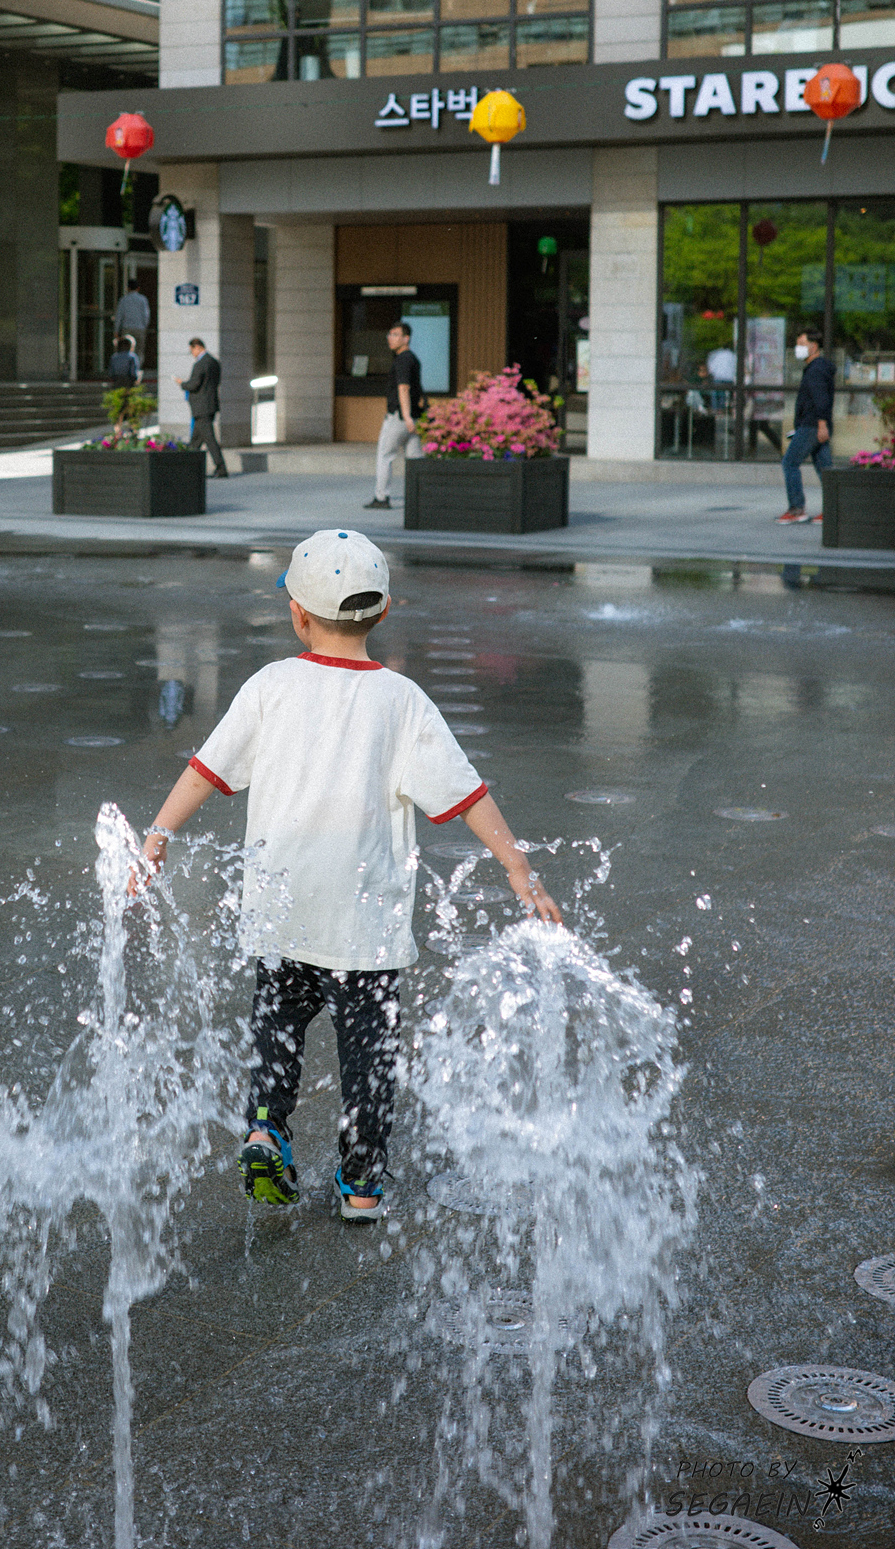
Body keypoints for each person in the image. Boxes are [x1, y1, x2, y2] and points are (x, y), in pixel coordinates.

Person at [133, 530, 561, 1221]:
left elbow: (205, 771)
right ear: (383, 611)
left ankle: (264, 1129)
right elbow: (467, 795)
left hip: (282, 910)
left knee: (276, 1030)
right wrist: (518, 868)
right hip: (363, 925)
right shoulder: (401, 700)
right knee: (369, 1056)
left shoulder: (270, 685)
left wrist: (157, 837)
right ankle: (361, 1185)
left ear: (296, 615)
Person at [366, 319, 425, 510]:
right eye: (390, 334)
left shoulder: (402, 360)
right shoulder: (413, 358)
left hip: (400, 417)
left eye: (395, 335)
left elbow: (404, 388)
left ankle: (381, 497)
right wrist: (412, 417)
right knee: (415, 460)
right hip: (414, 417)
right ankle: (419, 497)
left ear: (406, 338)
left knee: (385, 455)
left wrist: (405, 416)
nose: (390, 338)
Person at [778, 326, 835, 523]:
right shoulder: (816, 368)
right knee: (825, 470)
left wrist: (821, 425)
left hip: (812, 425)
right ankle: (833, 510)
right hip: (815, 425)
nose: (798, 348)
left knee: (790, 463)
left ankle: (796, 509)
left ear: (814, 346)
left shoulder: (816, 370)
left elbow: (821, 399)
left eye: (802, 344)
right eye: (797, 344)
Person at [178, 336, 228, 477]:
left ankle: (221, 468)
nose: (192, 354)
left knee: (209, 439)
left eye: (192, 350)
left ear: (197, 347)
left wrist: (182, 384)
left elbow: (194, 384)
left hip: (201, 407)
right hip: (210, 405)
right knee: (195, 442)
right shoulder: (214, 362)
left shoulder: (200, 365)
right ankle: (188, 469)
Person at [114, 278, 150, 369]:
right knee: (139, 351)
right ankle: (137, 369)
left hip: (127, 329)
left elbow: (119, 316)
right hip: (140, 329)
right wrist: (144, 327)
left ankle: (126, 369)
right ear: (138, 288)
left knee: (125, 350)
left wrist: (116, 330)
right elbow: (146, 315)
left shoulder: (123, 300)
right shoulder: (143, 299)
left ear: (128, 288)